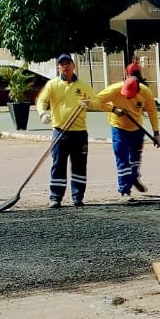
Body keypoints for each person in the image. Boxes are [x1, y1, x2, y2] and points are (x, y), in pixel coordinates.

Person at [35, 53, 99, 208]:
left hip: (79, 133)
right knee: (58, 164)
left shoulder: (83, 86)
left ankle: (78, 197)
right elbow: (41, 101)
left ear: (73, 66)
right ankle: (55, 197)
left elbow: (96, 102)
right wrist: (43, 113)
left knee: (79, 165)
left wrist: (89, 104)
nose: (65, 67)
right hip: (60, 132)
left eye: (68, 63)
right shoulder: (52, 85)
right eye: (62, 64)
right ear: (58, 67)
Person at [94, 67, 160, 202]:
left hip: (136, 128)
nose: (127, 96)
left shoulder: (145, 93)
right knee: (122, 158)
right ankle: (125, 191)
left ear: (138, 90)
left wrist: (156, 133)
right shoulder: (114, 89)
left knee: (135, 158)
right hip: (119, 128)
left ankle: (134, 176)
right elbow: (95, 101)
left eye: (130, 95)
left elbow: (152, 112)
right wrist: (113, 109)